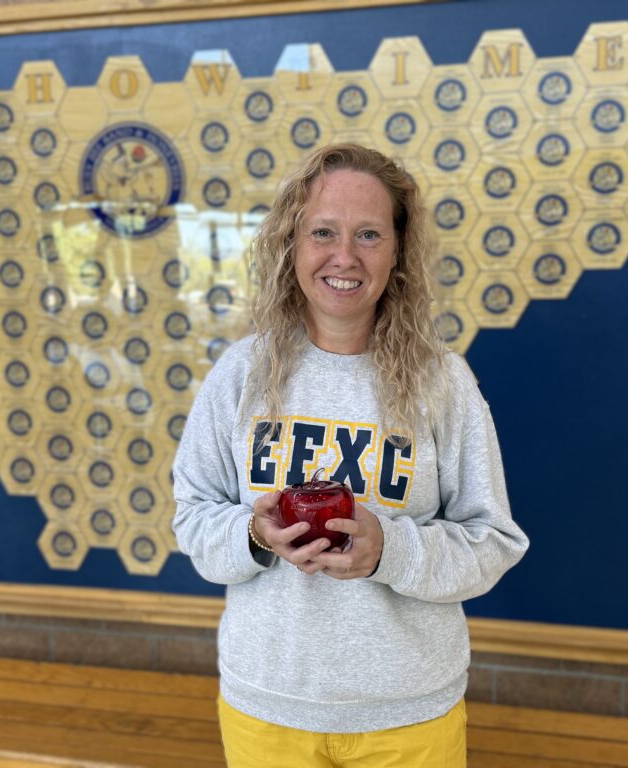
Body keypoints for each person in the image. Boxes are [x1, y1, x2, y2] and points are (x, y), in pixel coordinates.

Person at [172, 143, 528, 767]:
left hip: (407, 710)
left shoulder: (442, 382)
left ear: (398, 251)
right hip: (268, 703)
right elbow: (193, 516)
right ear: (292, 244)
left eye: (368, 234)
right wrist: (256, 535)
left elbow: (493, 540)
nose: (345, 257)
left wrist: (387, 549)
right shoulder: (240, 376)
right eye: (323, 232)